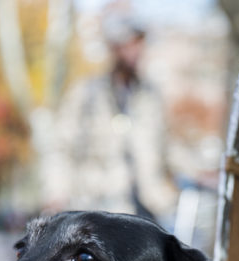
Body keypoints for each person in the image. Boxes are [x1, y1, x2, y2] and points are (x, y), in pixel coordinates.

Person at [42, 13, 178, 225]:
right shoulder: (85, 94)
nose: (135, 51)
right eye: (129, 44)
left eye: (139, 44)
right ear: (114, 48)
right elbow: (60, 148)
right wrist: (56, 193)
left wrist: (201, 173)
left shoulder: (150, 96)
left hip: (147, 207)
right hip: (96, 207)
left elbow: (167, 147)